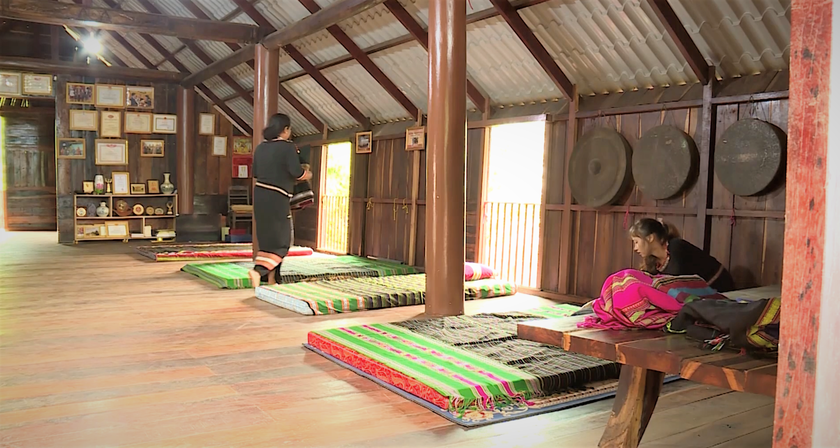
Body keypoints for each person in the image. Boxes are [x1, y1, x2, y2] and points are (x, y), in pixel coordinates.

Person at [248, 113, 312, 286]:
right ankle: (258, 271)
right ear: (285, 129)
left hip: (260, 196)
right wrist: (307, 174)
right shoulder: (287, 147)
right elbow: (296, 172)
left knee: (268, 241)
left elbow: (255, 173)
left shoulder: (260, 147)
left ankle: (272, 279)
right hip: (277, 197)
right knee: (283, 241)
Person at [629, 218, 735, 292]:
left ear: (650, 238)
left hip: (718, 287)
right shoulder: (653, 262)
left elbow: (676, 283)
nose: (635, 248)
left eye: (637, 242)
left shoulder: (677, 247)